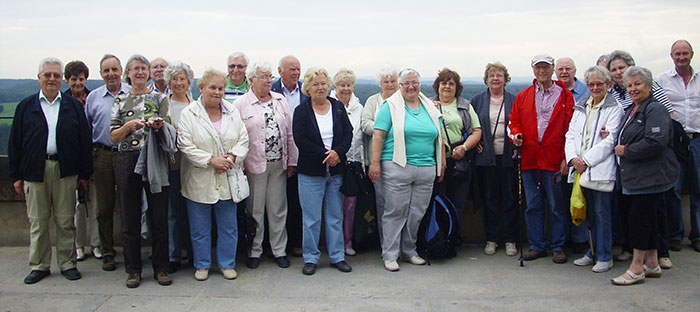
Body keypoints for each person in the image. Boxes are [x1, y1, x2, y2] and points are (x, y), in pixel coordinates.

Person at [9, 57, 92, 284]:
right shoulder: (26, 107)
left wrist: (84, 174)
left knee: (66, 221)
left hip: (66, 170)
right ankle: (40, 265)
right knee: (38, 221)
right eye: (47, 75)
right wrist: (16, 175)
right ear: (39, 78)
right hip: (35, 170)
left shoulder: (73, 106)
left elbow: (84, 142)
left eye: (56, 75)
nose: (52, 79)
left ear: (61, 79)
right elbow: (15, 143)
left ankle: (67, 263)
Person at [368, 68, 445, 272]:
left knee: (416, 213)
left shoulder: (430, 107)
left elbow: (439, 137)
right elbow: (378, 135)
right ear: (400, 86)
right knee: (395, 211)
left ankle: (410, 250)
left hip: (427, 166)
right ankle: (390, 254)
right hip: (396, 166)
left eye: (415, 83)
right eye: (406, 83)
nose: (411, 87)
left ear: (420, 84)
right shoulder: (390, 106)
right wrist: (374, 163)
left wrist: (442, 163)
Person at [110, 54, 174, 288]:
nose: (139, 73)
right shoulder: (119, 101)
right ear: (128, 73)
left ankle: (161, 268)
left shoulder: (159, 98)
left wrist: (157, 126)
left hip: (155, 158)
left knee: (159, 217)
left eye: (143, 69)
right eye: (135, 69)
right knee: (130, 218)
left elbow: (168, 129)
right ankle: (133, 270)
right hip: (127, 159)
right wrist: (128, 126)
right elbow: (113, 136)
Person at [606, 50, 675, 268]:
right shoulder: (628, 104)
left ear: (648, 85)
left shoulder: (654, 107)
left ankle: (640, 265)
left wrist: (628, 150)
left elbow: (657, 139)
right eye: (630, 86)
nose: (633, 89)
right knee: (644, 217)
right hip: (635, 173)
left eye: (638, 84)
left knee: (643, 219)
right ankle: (652, 263)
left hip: (650, 173)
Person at [178, 69, 249, 281]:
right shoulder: (189, 113)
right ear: (201, 88)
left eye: (220, 88)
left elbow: (243, 139)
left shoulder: (232, 111)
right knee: (200, 228)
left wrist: (231, 158)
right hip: (200, 178)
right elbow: (185, 144)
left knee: (229, 226)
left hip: (227, 175)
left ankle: (227, 264)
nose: (217, 92)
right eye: (212, 87)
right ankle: (202, 265)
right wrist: (211, 160)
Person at [508, 54, 574, 264]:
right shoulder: (523, 96)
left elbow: (570, 129)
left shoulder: (565, 96)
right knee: (533, 205)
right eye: (538, 67)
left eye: (546, 67)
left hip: (553, 160)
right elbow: (513, 122)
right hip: (529, 160)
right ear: (533, 70)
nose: (542, 70)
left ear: (552, 69)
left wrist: (566, 157)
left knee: (557, 205)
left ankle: (558, 246)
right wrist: (516, 136)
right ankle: (537, 245)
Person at [233, 62, 296, 269]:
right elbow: (236, 136)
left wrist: (292, 161)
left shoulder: (280, 100)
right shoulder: (241, 104)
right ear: (251, 80)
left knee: (278, 209)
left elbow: (289, 133)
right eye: (263, 77)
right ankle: (254, 251)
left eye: (270, 76)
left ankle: (279, 250)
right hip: (253, 165)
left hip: (278, 163)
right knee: (255, 209)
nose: (269, 80)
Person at [292, 67, 353, 275]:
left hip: (335, 171)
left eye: (323, 83)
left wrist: (338, 153)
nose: (320, 87)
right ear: (308, 88)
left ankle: (337, 257)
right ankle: (310, 258)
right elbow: (300, 139)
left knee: (335, 216)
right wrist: (325, 155)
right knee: (311, 218)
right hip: (310, 172)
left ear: (329, 86)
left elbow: (348, 133)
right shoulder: (301, 111)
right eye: (315, 84)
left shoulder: (337, 107)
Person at [565, 66, 623, 273]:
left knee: (601, 214)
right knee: (587, 212)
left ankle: (605, 255)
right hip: (580, 168)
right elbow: (570, 135)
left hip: (599, 169)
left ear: (608, 84)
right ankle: (592, 252)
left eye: (599, 83)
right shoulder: (581, 106)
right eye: (591, 84)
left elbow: (610, 141)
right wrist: (573, 158)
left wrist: (586, 161)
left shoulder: (615, 108)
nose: (595, 87)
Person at [85, 54, 131, 272]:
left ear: (121, 70)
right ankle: (108, 252)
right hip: (101, 155)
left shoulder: (132, 94)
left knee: (129, 205)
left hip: (127, 154)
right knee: (103, 207)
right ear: (101, 73)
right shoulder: (93, 98)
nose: (111, 74)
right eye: (106, 70)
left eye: (114, 69)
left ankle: (132, 250)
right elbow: (86, 131)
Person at [656, 39, 700, 253]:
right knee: (673, 188)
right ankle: (675, 235)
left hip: (698, 138)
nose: (681, 57)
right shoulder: (662, 81)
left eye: (685, 53)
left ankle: (698, 235)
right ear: (671, 56)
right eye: (677, 54)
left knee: (698, 187)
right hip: (674, 142)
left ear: (691, 54)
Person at [473, 62, 519, 256]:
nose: (495, 79)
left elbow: (520, 124)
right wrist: (474, 141)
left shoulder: (514, 100)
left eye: (499, 75)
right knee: (490, 198)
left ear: (505, 79)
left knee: (510, 198)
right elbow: (470, 125)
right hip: (487, 158)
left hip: (509, 156)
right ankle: (492, 238)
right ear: (486, 79)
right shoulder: (477, 100)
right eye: (491, 75)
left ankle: (510, 239)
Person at [430, 68, 481, 216]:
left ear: (457, 88)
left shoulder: (465, 106)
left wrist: (464, 147)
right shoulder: (427, 104)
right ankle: (436, 237)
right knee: (435, 201)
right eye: (443, 83)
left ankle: (454, 237)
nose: (447, 86)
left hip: (458, 161)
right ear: (437, 86)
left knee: (457, 202)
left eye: (451, 84)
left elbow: (476, 131)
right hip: (434, 161)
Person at [64, 60, 101, 261]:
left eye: (81, 79)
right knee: (76, 206)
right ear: (67, 80)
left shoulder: (93, 98)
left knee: (96, 205)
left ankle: (96, 244)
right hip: (72, 161)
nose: (78, 83)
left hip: (94, 158)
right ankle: (78, 245)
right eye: (73, 79)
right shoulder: (62, 102)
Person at [272, 55, 308, 257]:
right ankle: (273, 245)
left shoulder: (306, 91)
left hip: (302, 155)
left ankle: (294, 242)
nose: (296, 73)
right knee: (275, 202)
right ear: (280, 71)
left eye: (298, 69)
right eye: (292, 69)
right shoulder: (272, 91)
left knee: (295, 201)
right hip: (276, 154)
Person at [361, 65, 398, 246]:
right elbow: (364, 123)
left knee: (400, 203)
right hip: (377, 160)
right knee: (382, 202)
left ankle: (401, 242)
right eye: (386, 81)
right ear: (380, 84)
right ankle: (386, 244)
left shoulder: (405, 99)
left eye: (393, 81)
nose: (390, 84)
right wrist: (381, 130)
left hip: (401, 160)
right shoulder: (372, 101)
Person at [556, 57, 590, 254]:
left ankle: (580, 241)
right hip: (560, 153)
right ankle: (565, 239)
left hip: (584, 154)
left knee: (580, 199)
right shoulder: (553, 93)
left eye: (568, 68)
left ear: (575, 70)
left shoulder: (586, 91)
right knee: (562, 200)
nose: (564, 72)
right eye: (560, 69)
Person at [163, 61, 195, 273]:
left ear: (189, 81)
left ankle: (194, 254)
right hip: (172, 164)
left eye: (182, 79)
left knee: (194, 211)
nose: (178, 83)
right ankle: (174, 255)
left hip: (193, 165)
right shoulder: (162, 104)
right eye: (174, 79)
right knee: (173, 212)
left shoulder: (196, 104)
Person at [330, 68, 364, 256]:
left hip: (353, 163)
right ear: (335, 87)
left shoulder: (360, 108)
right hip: (334, 162)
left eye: (348, 85)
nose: (345, 88)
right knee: (334, 205)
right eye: (341, 85)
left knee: (350, 206)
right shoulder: (329, 105)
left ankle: (347, 242)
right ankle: (334, 243)